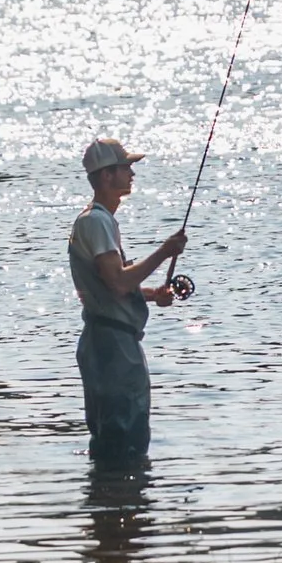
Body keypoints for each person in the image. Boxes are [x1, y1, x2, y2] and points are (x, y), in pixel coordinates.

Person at [68, 138, 187, 470]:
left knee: (113, 438)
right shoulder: (96, 221)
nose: (132, 173)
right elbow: (118, 280)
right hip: (113, 348)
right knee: (125, 441)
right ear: (107, 176)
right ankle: (123, 506)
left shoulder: (97, 221)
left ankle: (111, 506)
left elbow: (112, 286)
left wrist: (151, 294)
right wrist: (164, 252)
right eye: (125, 167)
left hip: (107, 340)